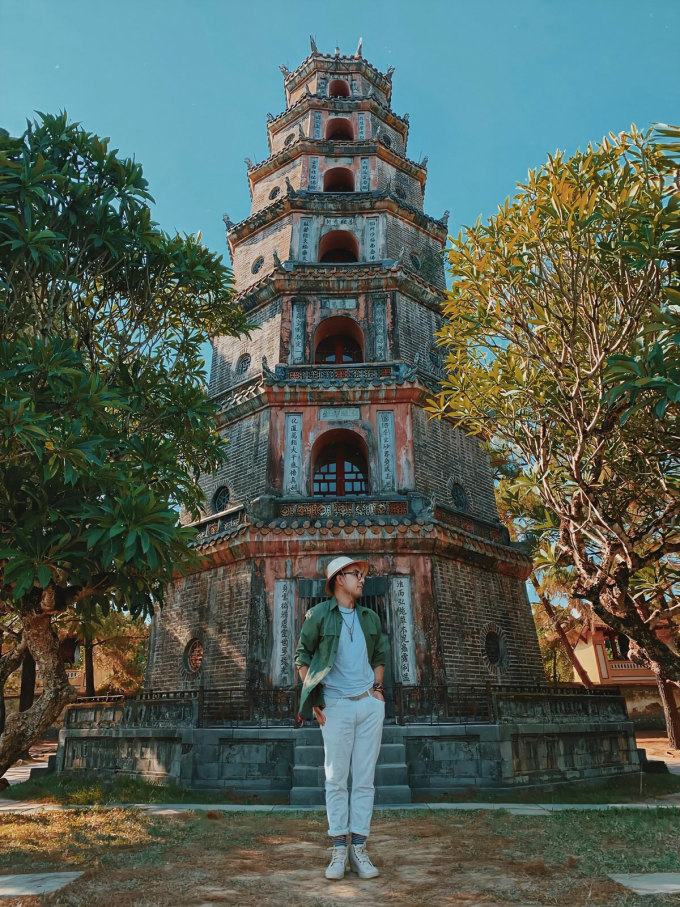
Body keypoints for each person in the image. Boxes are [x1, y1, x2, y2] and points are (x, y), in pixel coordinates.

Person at [295, 555, 386, 881]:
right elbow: (301, 657)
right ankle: (337, 849)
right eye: (355, 574)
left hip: (368, 705)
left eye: (362, 574)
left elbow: (379, 656)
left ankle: (358, 848)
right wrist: (315, 696)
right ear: (338, 580)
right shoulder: (318, 615)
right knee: (336, 778)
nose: (362, 579)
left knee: (364, 780)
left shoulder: (369, 617)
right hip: (335, 706)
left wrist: (377, 691)